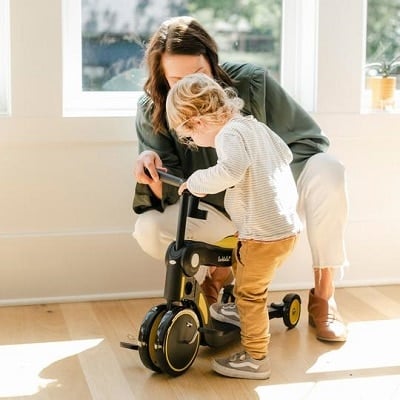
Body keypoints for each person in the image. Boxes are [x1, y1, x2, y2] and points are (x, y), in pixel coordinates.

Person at [132, 16, 349, 342]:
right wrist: (150, 166)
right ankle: (211, 285)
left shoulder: (252, 82)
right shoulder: (153, 108)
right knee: (149, 230)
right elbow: (172, 186)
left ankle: (324, 296)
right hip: (213, 204)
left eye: (199, 75)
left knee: (329, 170)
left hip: (270, 195)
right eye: (178, 79)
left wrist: (263, 190)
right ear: (162, 76)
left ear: (212, 61)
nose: (191, 87)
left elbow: (308, 143)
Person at [165, 72, 301, 379]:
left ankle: (256, 357)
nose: (194, 143)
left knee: (251, 295)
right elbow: (286, 154)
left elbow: (230, 171)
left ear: (196, 121)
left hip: (263, 236)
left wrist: (195, 182)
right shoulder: (254, 126)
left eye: (189, 136)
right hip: (284, 228)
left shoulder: (228, 135)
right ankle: (240, 312)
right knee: (246, 273)